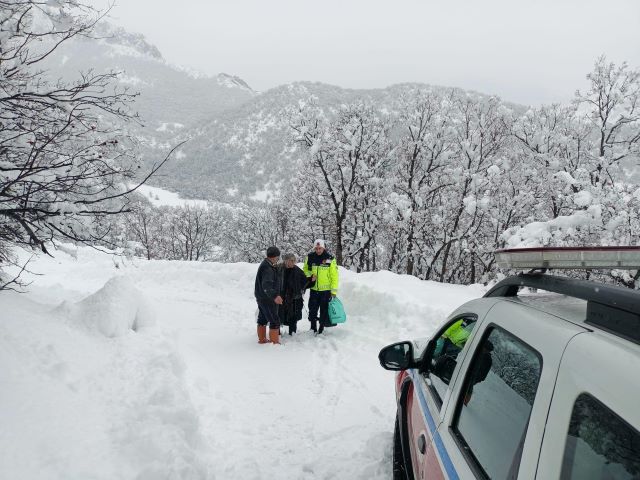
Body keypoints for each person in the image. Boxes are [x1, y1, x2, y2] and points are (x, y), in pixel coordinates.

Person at [303, 239, 338, 334]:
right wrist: (310, 275)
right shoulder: (310, 257)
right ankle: (313, 328)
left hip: (325, 291)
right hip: (314, 290)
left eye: (320, 248)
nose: (318, 250)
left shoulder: (330, 258)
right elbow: (305, 269)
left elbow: (334, 276)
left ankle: (321, 328)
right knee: (312, 310)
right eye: (316, 248)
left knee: (323, 310)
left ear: (323, 248)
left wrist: (333, 291)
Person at [254, 246, 283, 344]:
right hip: (267, 298)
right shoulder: (267, 268)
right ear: (274, 256)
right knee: (274, 320)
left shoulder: (267, 264)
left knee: (262, 318)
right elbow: (266, 285)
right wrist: (275, 296)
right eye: (277, 257)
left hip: (262, 297)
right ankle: (274, 343)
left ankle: (262, 340)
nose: (278, 259)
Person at [278, 253, 313, 335]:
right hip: (281, 297)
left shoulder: (297, 270)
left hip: (294, 298)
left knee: (293, 317)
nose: (293, 262)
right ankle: (277, 333)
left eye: (294, 261)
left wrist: (311, 280)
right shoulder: (279, 269)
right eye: (291, 261)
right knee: (279, 315)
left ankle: (292, 333)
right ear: (286, 261)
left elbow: (305, 282)